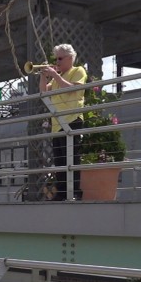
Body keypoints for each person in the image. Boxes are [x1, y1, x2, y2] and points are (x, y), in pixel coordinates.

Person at [39, 43, 88, 201]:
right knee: (59, 161)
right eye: (56, 59)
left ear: (70, 58)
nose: (57, 62)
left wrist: (55, 75)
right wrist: (43, 75)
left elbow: (71, 89)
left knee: (72, 158)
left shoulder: (77, 70)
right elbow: (43, 93)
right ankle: (61, 191)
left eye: (60, 58)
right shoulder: (55, 79)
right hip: (57, 123)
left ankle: (74, 191)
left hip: (72, 119)